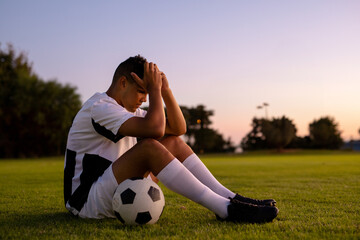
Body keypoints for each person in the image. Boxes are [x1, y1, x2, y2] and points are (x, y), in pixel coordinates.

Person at [63, 55, 279, 223]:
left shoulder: (127, 112)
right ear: (122, 83)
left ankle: (231, 198)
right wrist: (155, 89)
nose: (145, 99)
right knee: (149, 147)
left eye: (148, 92)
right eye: (141, 91)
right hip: (87, 201)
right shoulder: (99, 107)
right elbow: (155, 130)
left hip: (114, 186)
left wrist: (165, 90)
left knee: (173, 142)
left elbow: (178, 128)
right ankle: (225, 210)